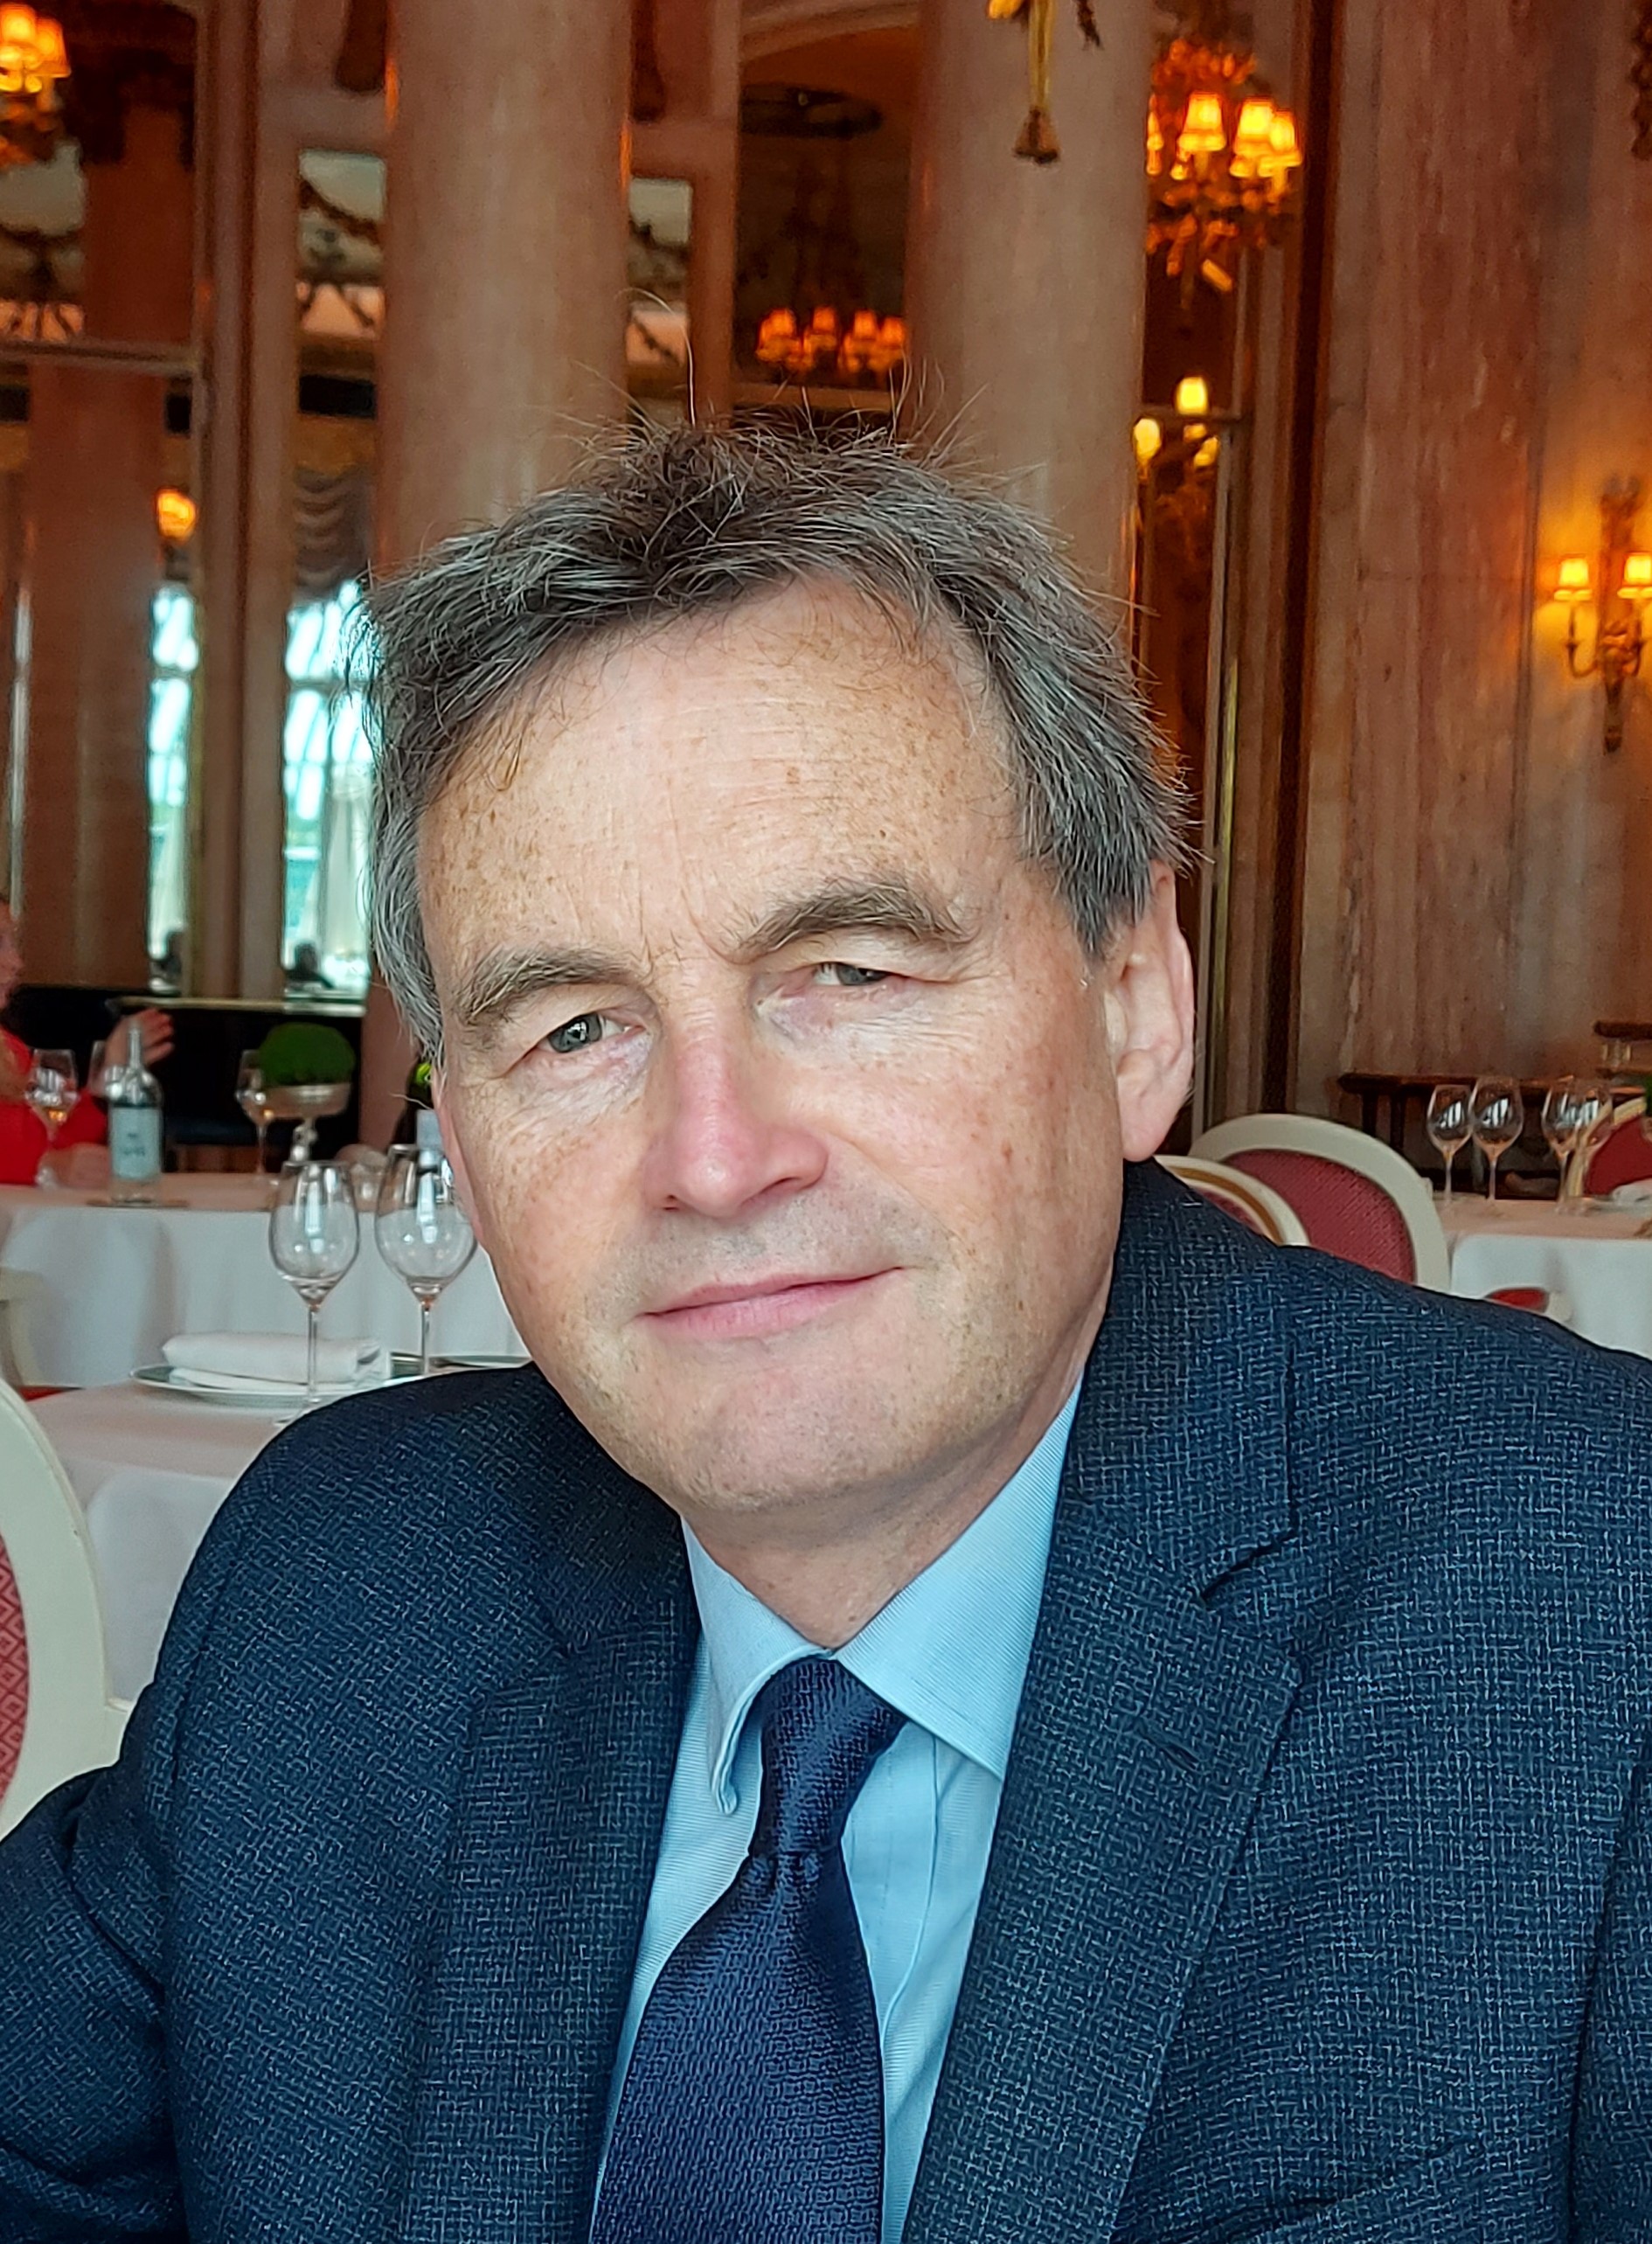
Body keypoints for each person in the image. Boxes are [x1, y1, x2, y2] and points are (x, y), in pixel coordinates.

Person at [1, 428, 1650, 2242]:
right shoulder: (348, 1581)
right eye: (573, 1027)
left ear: (1135, 1006)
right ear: (456, 1132)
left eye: (849, 971)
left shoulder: (1596, 1613)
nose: (714, 1158)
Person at [0, 895, 173, 1187]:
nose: (17, 962)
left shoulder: (10, 1050)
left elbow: (56, 1147)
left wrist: (107, 1078)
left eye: (13, 944)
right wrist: (43, 1167)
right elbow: (46, 1161)